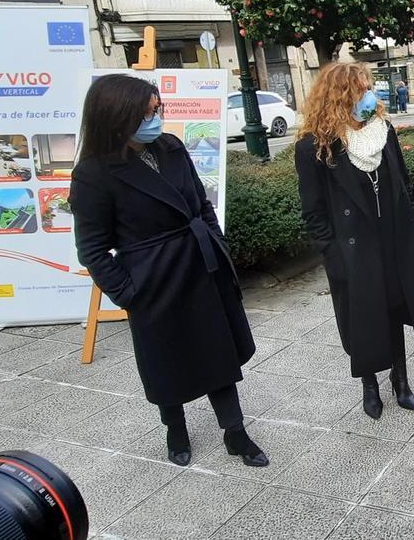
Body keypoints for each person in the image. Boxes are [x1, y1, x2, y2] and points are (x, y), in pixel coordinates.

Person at [71, 74, 267, 468]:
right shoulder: (94, 174)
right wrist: (129, 292)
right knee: (165, 361)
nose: (155, 118)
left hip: (199, 264)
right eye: (145, 113)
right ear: (116, 117)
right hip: (152, 279)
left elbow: (201, 204)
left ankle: (235, 430)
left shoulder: (171, 146)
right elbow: (92, 248)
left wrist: (216, 242)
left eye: (157, 109)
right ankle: (174, 426)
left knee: (218, 351)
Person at [295, 63, 414, 420]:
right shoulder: (316, 146)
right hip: (353, 249)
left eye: (369, 87)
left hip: (392, 241)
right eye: (362, 89)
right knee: (364, 318)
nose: (369, 95)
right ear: (342, 96)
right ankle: (369, 385)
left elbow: (402, 184)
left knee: (394, 308)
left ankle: (401, 379)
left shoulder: (383, 131)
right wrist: (333, 254)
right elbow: (313, 211)